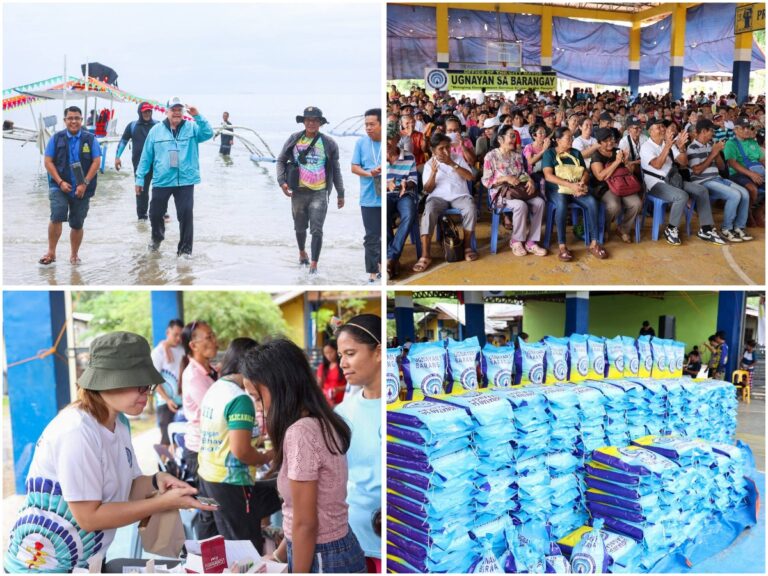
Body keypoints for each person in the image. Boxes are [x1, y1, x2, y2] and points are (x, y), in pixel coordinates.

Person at [4, 332, 216, 573]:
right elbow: (89, 518)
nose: (147, 394)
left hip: (87, 562)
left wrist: (157, 481)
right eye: (139, 385)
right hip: (42, 565)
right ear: (106, 381)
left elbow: (129, 486)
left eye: (148, 386)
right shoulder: (77, 431)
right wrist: (161, 503)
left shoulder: (119, 422)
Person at [242, 340, 366, 574]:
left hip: (323, 557)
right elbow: (298, 516)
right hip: (326, 551)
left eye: (257, 398)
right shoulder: (318, 421)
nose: (257, 407)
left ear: (280, 387)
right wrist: (277, 556)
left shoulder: (301, 432)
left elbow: (306, 524)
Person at [197, 338, 281, 550]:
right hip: (231, 484)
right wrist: (268, 456)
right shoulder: (240, 399)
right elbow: (241, 451)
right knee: (243, 550)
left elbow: (224, 434)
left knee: (215, 548)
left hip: (207, 478)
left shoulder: (216, 388)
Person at [136, 97, 214, 257]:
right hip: (162, 180)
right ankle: (157, 237)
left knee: (186, 214)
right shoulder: (156, 131)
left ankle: (185, 251)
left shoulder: (192, 128)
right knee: (155, 213)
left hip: (185, 180)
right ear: (167, 111)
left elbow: (208, 133)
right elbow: (146, 157)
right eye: (173, 109)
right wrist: (139, 178)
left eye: (179, 110)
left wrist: (197, 115)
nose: (177, 113)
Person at [334, 315, 382, 573]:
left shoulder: (401, 410)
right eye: (341, 355)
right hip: (352, 544)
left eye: (350, 353)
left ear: (379, 352)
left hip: (400, 543)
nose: (343, 363)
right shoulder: (342, 413)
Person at [276, 106, 345, 275]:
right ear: (303, 122)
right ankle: (302, 252)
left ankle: (314, 265)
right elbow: (281, 161)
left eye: (315, 120)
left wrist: (340, 192)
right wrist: (281, 182)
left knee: (317, 229)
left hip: (319, 192)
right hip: (299, 192)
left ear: (320, 123)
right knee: (300, 228)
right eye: (308, 120)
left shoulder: (329, 143)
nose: (311, 123)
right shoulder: (294, 139)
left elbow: (336, 169)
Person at [639, 117, 724, 246]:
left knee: (701, 190)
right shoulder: (646, 147)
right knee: (682, 196)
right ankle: (671, 228)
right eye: (658, 127)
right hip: (656, 184)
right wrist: (668, 146)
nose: (662, 129)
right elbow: (657, 165)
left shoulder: (667, 143)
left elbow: (683, 163)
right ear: (650, 132)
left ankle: (706, 229)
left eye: (663, 126)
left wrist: (681, 147)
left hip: (673, 181)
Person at [40, 105, 102, 265]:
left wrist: (84, 183)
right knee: (57, 215)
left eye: (77, 118)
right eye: (70, 118)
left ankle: (74, 255)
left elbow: (96, 162)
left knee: (77, 222)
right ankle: (51, 252)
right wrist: (60, 182)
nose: (73, 121)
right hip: (59, 184)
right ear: (65, 120)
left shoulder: (90, 139)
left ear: (82, 120)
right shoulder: (56, 138)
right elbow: (47, 162)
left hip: (83, 187)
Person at [413, 133, 477, 273]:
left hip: (459, 195)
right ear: (433, 150)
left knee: (470, 208)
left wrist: (451, 163)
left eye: (447, 147)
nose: (446, 151)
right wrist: (433, 173)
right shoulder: (429, 164)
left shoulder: (458, 158)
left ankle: (467, 247)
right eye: (441, 148)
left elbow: (470, 177)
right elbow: (427, 189)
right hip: (437, 197)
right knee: (428, 211)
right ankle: (425, 255)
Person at [543, 127, 608, 261]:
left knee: (592, 202)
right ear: (558, 140)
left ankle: (594, 243)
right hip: (557, 189)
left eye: (572, 138)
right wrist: (570, 185)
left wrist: (582, 183)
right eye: (568, 138)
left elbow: (585, 172)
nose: (571, 140)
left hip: (576, 187)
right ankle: (562, 246)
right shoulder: (549, 153)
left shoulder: (576, 153)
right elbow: (548, 176)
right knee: (561, 204)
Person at [481, 125, 547, 256]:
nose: (514, 139)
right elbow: (486, 181)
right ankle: (516, 240)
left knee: (539, 202)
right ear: (500, 139)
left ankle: (531, 241)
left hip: (518, 190)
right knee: (520, 205)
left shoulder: (516, 156)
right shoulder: (491, 156)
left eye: (514, 136)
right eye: (510, 136)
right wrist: (505, 178)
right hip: (501, 193)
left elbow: (522, 173)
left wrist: (529, 180)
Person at [687, 119, 753, 242]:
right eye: (711, 131)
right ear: (703, 131)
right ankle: (726, 228)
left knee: (745, 193)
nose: (714, 133)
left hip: (717, 179)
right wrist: (713, 153)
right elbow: (697, 171)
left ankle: (739, 227)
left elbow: (722, 167)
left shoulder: (710, 145)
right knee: (735, 195)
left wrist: (717, 153)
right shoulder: (692, 147)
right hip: (703, 181)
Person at [589, 127, 641, 244]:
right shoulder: (596, 155)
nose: (610, 142)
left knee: (636, 204)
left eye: (611, 139)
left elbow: (630, 172)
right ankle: (605, 228)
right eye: (605, 141)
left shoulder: (618, 151)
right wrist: (617, 162)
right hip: (604, 187)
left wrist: (626, 162)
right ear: (599, 143)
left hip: (622, 184)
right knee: (613, 206)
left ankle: (623, 229)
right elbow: (600, 177)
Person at [351, 109, 382, 283]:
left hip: (386, 195)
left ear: (381, 125)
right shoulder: (361, 143)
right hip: (368, 198)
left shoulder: (388, 143)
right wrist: (370, 173)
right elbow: (354, 167)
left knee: (385, 235)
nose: (368, 128)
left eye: (372, 124)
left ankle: (382, 265)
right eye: (366, 125)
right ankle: (372, 271)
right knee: (371, 236)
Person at [115, 102, 158, 221]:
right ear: (140, 112)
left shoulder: (157, 125)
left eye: (149, 111)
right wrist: (117, 157)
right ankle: (142, 218)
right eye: (145, 111)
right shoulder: (132, 126)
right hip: (140, 165)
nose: (147, 113)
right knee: (141, 191)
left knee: (160, 189)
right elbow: (123, 141)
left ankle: (160, 212)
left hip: (157, 163)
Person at [386, 133, 418, 279]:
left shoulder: (409, 156)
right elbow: (373, 184)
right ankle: (392, 259)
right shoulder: (377, 157)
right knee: (382, 213)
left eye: (389, 138)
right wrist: (387, 184)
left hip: (404, 194)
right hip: (385, 195)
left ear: (397, 140)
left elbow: (413, 180)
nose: (386, 143)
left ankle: (390, 257)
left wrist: (406, 184)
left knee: (410, 213)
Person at [724, 116, 765, 227]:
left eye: (748, 127)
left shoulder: (753, 142)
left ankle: (759, 211)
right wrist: (751, 174)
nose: (746, 130)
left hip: (757, 171)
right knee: (752, 189)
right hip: (738, 174)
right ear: (735, 130)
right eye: (743, 128)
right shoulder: (731, 143)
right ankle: (747, 212)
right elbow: (732, 163)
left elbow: (762, 160)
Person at [151, 319, 185, 448]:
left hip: (181, 401)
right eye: (175, 335)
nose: (178, 338)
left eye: (180, 335)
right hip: (165, 403)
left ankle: (171, 462)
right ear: (167, 332)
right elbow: (153, 379)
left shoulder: (182, 350)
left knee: (177, 440)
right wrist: (167, 399)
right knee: (166, 440)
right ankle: (160, 461)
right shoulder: (158, 352)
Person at [317, 340, 347, 407]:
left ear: (337, 351)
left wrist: (339, 389)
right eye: (326, 353)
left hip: (342, 402)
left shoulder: (343, 365)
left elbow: (352, 386)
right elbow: (319, 385)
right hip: (326, 402)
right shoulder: (322, 367)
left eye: (331, 352)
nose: (328, 355)